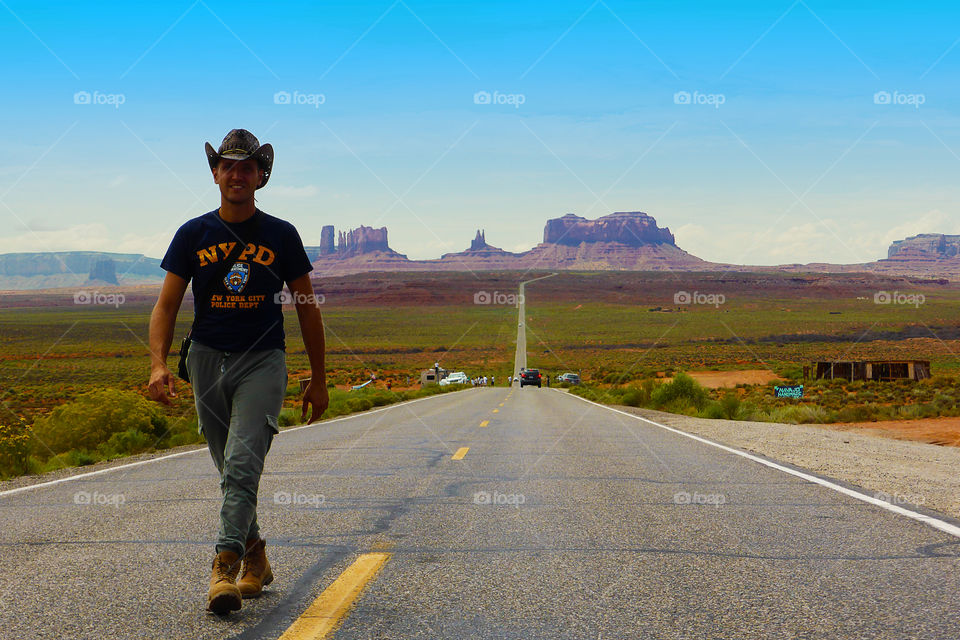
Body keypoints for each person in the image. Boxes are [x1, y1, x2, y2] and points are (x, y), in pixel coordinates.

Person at [147, 129, 329, 615]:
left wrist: (319, 377)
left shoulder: (282, 235)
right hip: (206, 359)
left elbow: (307, 307)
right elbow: (166, 305)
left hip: (263, 360)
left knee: (243, 462)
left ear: (260, 177)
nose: (236, 174)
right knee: (230, 471)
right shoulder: (193, 234)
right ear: (215, 174)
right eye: (227, 166)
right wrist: (158, 363)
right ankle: (256, 556)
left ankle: (223, 568)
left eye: (246, 167)